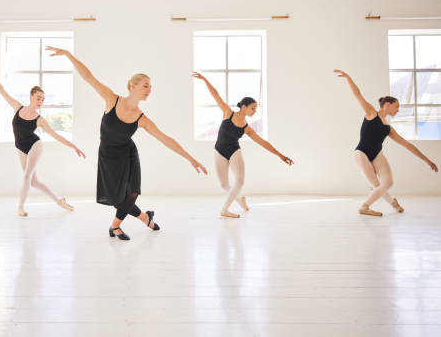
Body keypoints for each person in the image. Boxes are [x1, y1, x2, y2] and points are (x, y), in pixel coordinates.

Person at [47, 47, 207, 240]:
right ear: (133, 86)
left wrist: (190, 158)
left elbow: (165, 139)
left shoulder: (141, 118)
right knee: (117, 199)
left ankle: (115, 227)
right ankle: (146, 218)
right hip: (107, 155)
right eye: (146, 85)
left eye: (150, 86)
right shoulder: (111, 99)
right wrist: (68, 54)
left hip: (128, 155)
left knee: (131, 193)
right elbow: (88, 77)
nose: (150, 89)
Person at [0, 65, 85, 217]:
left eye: (43, 99)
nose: (41, 101)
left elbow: (56, 135)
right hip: (21, 148)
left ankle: (20, 207)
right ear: (31, 97)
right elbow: (2, 90)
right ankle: (59, 201)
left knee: (26, 176)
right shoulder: (17, 107)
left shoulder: (40, 120)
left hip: (35, 145)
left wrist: (74, 147)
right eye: (38, 98)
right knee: (33, 182)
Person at [334, 69, 438, 216]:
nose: (398, 110)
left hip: (377, 154)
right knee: (376, 185)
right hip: (361, 153)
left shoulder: (389, 129)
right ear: (387, 105)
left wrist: (427, 160)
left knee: (388, 183)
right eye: (397, 107)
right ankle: (365, 207)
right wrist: (348, 78)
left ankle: (391, 203)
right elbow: (357, 94)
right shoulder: (371, 113)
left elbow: (407, 145)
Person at [193, 72, 294, 218]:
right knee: (224, 185)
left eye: (256, 109)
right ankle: (241, 201)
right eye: (253, 108)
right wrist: (204, 79)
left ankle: (225, 210)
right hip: (219, 150)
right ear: (244, 107)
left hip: (234, 151)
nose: (255, 111)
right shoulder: (228, 113)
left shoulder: (247, 128)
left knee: (239, 181)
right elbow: (215, 95)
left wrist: (280, 155)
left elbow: (263, 143)